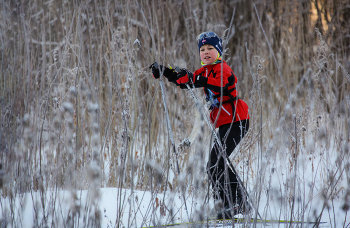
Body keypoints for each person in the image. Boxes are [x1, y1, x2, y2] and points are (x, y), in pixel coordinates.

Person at [149, 31, 250, 219]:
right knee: (215, 164)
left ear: (218, 51)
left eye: (210, 48)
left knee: (216, 162)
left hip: (238, 121)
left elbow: (221, 85)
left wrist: (197, 80)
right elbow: (185, 81)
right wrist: (165, 72)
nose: (206, 52)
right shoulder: (204, 71)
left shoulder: (223, 69)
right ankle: (234, 204)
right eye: (202, 49)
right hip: (226, 123)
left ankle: (232, 205)